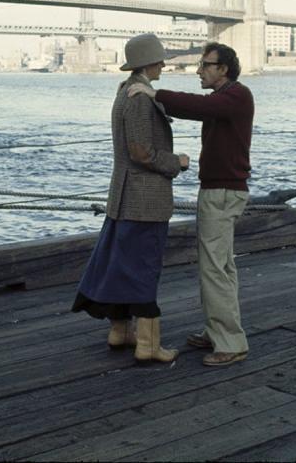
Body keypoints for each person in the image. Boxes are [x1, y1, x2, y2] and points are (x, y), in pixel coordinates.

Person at [127, 42, 253, 367]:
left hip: (222, 192)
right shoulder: (225, 99)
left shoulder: (237, 96)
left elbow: (199, 108)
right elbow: (201, 107)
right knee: (220, 266)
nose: (199, 70)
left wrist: (155, 95)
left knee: (215, 268)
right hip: (218, 190)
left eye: (205, 65)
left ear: (223, 68)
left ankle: (231, 342)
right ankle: (217, 331)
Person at [72, 33, 190, 365]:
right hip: (143, 200)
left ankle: (121, 331)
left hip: (123, 197)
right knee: (144, 268)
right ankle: (149, 346)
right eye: (160, 59)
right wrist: (176, 162)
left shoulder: (124, 91)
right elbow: (140, 152)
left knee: (123, 265)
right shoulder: (140, 99)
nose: (164, 64)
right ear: (149, 63)